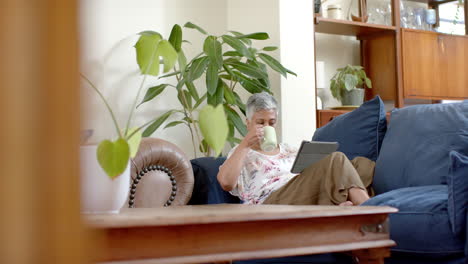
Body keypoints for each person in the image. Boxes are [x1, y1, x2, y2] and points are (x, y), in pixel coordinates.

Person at [217, 92, 375, 206]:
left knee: (360, 164)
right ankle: (368, 211)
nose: (266, 127)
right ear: (248, 123)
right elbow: (226, 183)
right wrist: (245, 144)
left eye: (271, 123)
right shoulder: (241, 152)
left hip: (304, 193)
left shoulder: (289, 149)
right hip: (273, 202)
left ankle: (342, 207)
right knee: (337, 159)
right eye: (260, 122)